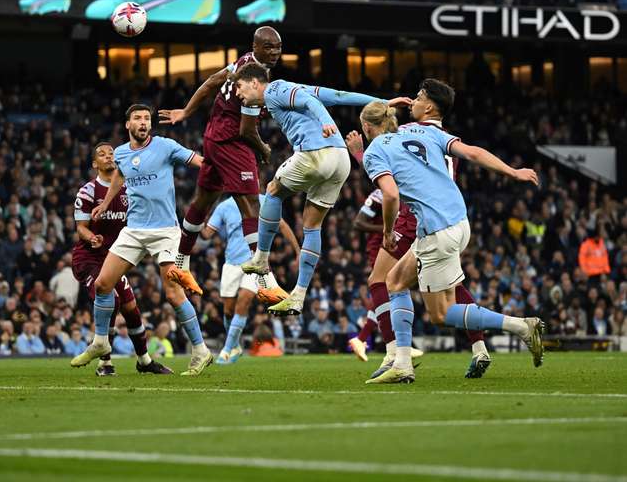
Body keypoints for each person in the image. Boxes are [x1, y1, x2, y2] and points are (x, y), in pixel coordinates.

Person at [357, 84, 545, 384]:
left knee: (442, 315)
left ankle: (521, 326)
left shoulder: (378, 148)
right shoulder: (427, 132)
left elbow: (390, 196)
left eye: (419, 98)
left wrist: (388, 231)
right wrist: (512, 172)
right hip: (458, 220)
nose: (414, 101)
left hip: (435, 229)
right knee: (394, 280)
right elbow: (471, 152)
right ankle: (402, 363)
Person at [233, 63, 410, 316]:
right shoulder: (295, 88)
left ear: (254, 82)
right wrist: (383, 101)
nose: (238, 93)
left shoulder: (275, 89)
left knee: (272, 190)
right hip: (340, 159)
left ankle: (261, 258)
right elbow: (337, 96)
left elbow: (310, 104)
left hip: (317, 153)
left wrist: (326, 122)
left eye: (239, 87)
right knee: (312, 225)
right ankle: (299, 295)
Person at [345, 81, 490, 379]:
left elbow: (381, 142)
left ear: (430, 106)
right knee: (454, 287)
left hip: (415, 216)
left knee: (380, 281)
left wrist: (359, 154)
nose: (414, 100)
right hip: (447, 214)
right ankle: (480, 348)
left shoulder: (412, 132)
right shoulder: (440, 136)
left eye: (420, 97)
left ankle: (394, 354)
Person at [70, 104, 213, 375]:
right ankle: (101, 342)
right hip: (134, 231)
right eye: (137, 118)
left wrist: (213, 177)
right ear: (128, 125)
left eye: (147, 118)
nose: (143, 122)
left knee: (172, 292)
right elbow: (120, 177)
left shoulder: (165, 146)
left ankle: (201, 350)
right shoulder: (121, 153)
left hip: (165, 232)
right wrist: (106, 203)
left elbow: (199, 161)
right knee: (103, 284)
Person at [159, 27, 281, 297]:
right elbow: (247, 131)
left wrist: (187, 111)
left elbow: (212, 81)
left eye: (277, 47)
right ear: (256, 46)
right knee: (250, 204)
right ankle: (264, 281)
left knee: (203, 200)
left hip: (213, 135)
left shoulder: (243, 60)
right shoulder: (254, 78)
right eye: (268, 47)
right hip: (232, 141)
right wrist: (263, 149)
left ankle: (181, 263)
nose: (274, 52)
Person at [72, 141, 171, 375]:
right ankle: (105, 363)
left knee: (131, 308)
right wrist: (91, 237)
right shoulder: (88, 191)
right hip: (89, 259)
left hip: (114, 257)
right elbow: (80, 228)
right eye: (102, 154)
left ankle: (144, 361)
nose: (108, 156)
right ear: (95, 164)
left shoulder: (128, 190)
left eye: (112, 153)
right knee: (111, 299)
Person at [200, 193, 299, 364]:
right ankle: (235, 346)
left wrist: (298, 251)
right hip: (231, 263)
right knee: (228, 310)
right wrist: (196, 218)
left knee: (244, 300)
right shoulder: (224, 206)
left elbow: (282, 225)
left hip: (255, 261)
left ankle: (226, 349)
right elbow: (207, 234)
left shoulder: (263, 201)